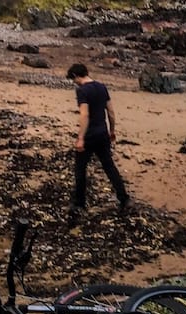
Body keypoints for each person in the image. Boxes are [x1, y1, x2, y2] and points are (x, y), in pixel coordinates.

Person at [66, 63, 130, 224]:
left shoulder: (82, 90)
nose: (74, 83)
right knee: (109, 167)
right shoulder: (102, 87)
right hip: (102, 134)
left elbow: (84, 115)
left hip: (89, 135)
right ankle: (124, 198)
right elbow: (111, 112)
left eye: (73, 80)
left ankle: (79, 203)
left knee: (80, 169)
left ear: (75, 76)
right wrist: (112, 131)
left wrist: (81, 138)